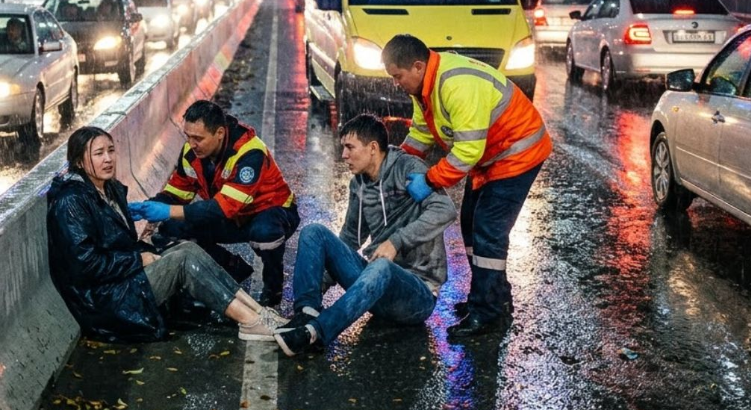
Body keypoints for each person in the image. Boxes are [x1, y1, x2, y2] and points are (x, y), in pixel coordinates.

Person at [47, 126, 288, 343]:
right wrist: (139, 259)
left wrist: (146, 248)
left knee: (187, 249)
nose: (108, 159)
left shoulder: (108, 189)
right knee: (182, 261)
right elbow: (84, 266)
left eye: (111, 150)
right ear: (79, 161)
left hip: (121, 281)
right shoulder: (71, 202)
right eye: (98, 154)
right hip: (105, 300)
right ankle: (248, 321)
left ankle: (258, 313)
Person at [382, 34, 552, 339]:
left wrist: (430, 180)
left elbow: (466, 152)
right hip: (492, 158)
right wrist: (396, 163)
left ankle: (486, 313)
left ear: (417, 66)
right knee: (471, 226)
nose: (396, 83)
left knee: (488, 229)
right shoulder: (425, 88)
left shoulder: (455, 84)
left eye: (398, 76)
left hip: (517, 154)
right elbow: (422, 134)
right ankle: (492, 298)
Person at [273, 114, 456, 356]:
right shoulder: (358, 184)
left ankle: (316, 333)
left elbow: (446, 210)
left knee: (381, 266)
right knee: (313, 232)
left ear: (372, 148)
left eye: (350, 147)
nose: (344, 156)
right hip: (376, 287)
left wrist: (396, 241)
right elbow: (349, 239)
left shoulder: (407, 168)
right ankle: (306, 314)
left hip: (417, 295)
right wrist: (321, 284)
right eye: (343, 148)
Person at [128, 100, 299, 306]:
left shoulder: (249, 153)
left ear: (219, 133)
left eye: (198, 138)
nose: (191, 144)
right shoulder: (191, 154)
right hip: (231, 215)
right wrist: (150, 206)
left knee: (265, 233)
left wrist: (167, 210)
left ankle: (273, 289)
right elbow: (177, 193)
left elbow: (222, 207)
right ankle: (230, 270)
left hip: (269, 211)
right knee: (171, 229)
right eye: (188, 136)